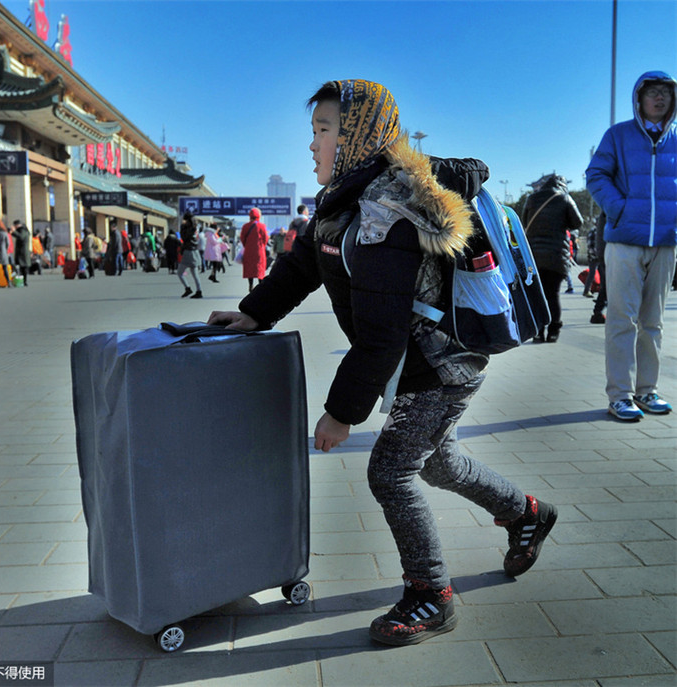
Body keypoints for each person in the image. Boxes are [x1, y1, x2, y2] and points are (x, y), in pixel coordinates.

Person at [208, 79, 556, 646]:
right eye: (313, 131)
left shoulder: (385, 211)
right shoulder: (342, 199)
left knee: (391, 470)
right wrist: (253, 314)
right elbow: (302, 266)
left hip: (439, 364)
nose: (313, 144)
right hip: (415, 360)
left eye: (323, 130)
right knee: (438, 464)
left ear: (358, 135)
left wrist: (341, 412)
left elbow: (383, 333)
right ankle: (528, 514)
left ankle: (430, 595)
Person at [586, 70, 676, 422]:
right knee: (621, 320)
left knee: (653, 322)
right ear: (639, 99)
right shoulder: (618, 135)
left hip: (666, 244)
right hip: (624, 241)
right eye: (651, 92)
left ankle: (647, 390)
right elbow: (595, 175)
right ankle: (620, 395)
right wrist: (619, 209)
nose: (659, 98)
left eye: (665, 93)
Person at [521, 174, 583, 343]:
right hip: (557, 256)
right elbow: (578, 223)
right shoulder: (565, 198)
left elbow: (524, 223)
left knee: (538, 295)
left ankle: (538, 331)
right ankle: (554, 331)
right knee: (553, 295)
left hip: (534, 257)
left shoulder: (531, 198)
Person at [240, 207, 268, 292]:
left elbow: (242, 238)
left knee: (250, 268)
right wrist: (262, 246)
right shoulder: (261, 226)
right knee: (260, 269)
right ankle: (261, 287)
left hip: (248, 250)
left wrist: (247, 245)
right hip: (259, 250)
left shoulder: (245, 226)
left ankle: (250, 285)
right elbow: (265, 238)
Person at [177, 212, 202, 298]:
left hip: (188, 252)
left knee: (180, 272)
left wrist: (182, 227)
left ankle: (188, 288)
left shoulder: (188, 229)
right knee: (195, 274)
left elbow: (184, 237)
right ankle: (199, 291)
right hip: (195, 252)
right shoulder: (195, 228)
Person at [590, 212, 608, 324]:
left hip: (603, 255)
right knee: (607, 286)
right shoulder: (607, 214)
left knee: (606, 286)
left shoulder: (604, 215)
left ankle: (598, 311)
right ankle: (598, 312)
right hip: (607, 255)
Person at [12, 220, 32, 286]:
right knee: (22, 268)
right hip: (22, 252)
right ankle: (23, 281)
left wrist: (13, 231)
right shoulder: (23, 230)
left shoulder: (22, 230)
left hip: (22, 252)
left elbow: (20, 237)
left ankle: (24, 281)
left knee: (23, 267)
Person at [0, 218, 12, 287]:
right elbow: (8, 243)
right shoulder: (4, 233)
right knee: (4, 267)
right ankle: (8, 282)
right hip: (3, 252)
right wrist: (5, 249)